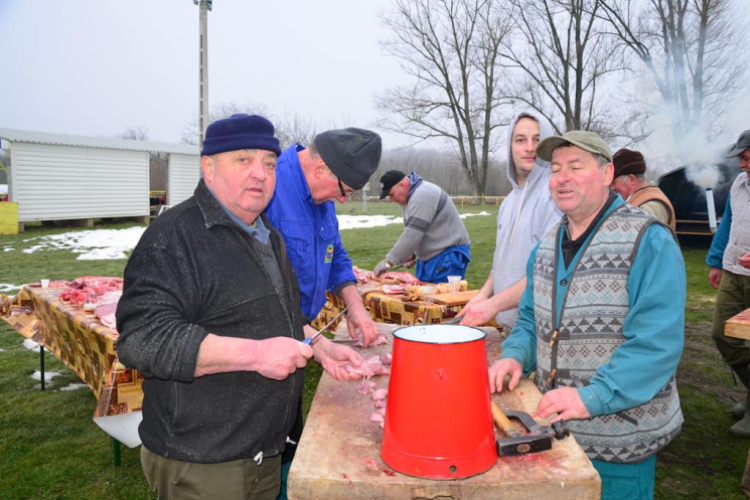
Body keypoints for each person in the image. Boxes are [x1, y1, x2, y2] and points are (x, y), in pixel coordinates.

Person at [116, 114, 364, 500]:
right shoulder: (174, 238)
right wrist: (256, 354)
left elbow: (276, 316)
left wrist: (319, 345)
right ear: (208, 167)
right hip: (206, 460)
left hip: (264, 451)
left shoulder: (268, 236)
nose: (261, 174)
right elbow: (143, 339)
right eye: (243, 160)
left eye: (268, 163)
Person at [490, 130, 685, 499]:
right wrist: (516, 355)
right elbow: (531, 320)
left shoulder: (648, 240)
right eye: (556, 169)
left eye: (576, 167)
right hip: (555, 435)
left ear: (608, 174)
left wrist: (591, 397)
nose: (562, 177)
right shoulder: (546, 246)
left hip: (620, 445)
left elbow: (656, 344)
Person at [264, 127, 382, 498]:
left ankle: (285, 478)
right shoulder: (269, 189)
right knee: (265, 443)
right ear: (320, 171)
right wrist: (317, 342)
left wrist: (356, 307)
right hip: (262, 344)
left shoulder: (321, 196)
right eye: (344, 191)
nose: (344, 201)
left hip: (297, 336)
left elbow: (336, 259)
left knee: (289, 429)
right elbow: (258, 291)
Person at [457, 112, 561, 328]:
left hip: (540, 332)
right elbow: (502, 263)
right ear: (510, 146)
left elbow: (546, 273)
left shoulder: (554, 198)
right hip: (509, 327)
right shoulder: (507, 202)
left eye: (537, 140)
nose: (530, 147)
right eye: (521, 140)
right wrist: (483, 295)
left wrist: (493, 305)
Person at [706, 129, 750, 437]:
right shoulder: (739, 184)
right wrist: (715, 259)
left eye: (747, 158)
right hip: (735, 272)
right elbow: (728, 225)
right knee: (722, 333)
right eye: (741, 159)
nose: (742, 165)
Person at [372, 170, 470, 283]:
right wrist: (411, 254)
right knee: (424, 297)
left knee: (441, 298)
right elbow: (420, 230)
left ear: (402, 185)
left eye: (391, 194)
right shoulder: (409, 199)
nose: (391, 199)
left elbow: (412, 233)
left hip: (448, 254)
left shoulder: (422, 195)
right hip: (433, 256)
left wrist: (388, 262)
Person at [611, 148, 676, 229]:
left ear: (631, 179)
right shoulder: (639, 200)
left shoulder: (651, 206)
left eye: (614, 182)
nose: (611, 188)